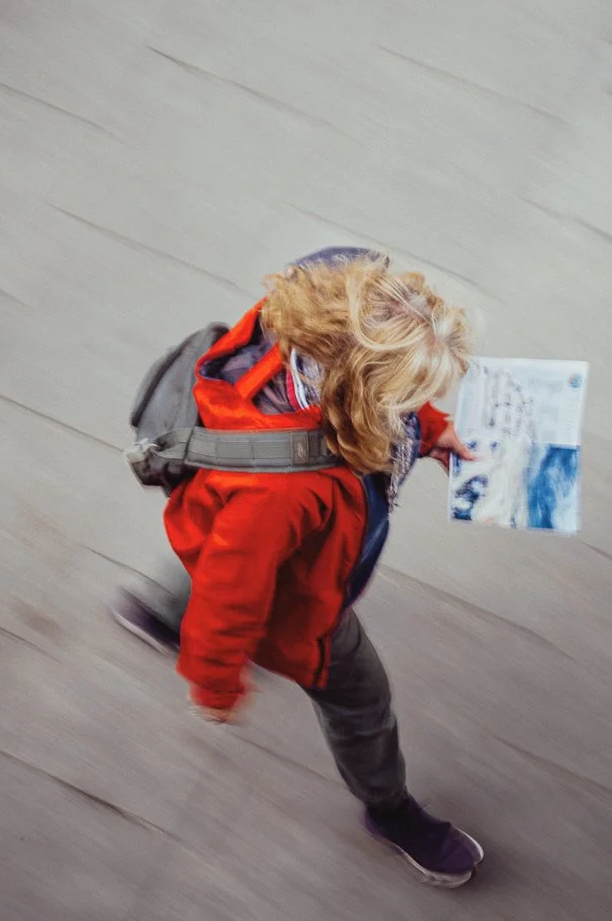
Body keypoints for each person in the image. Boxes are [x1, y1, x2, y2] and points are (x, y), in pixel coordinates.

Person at [112, 246, 483, 888]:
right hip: (302, 599)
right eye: (414, 391)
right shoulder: (281, 493)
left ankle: (164, 613)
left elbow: (379, 402)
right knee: (361, 700)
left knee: (223, 555)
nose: (422, 400)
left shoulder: (305, 324)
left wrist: (430, 428)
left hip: (230, 520)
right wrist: (215, 684)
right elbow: (235, 593)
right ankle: (392, 812)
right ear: (363, 393)